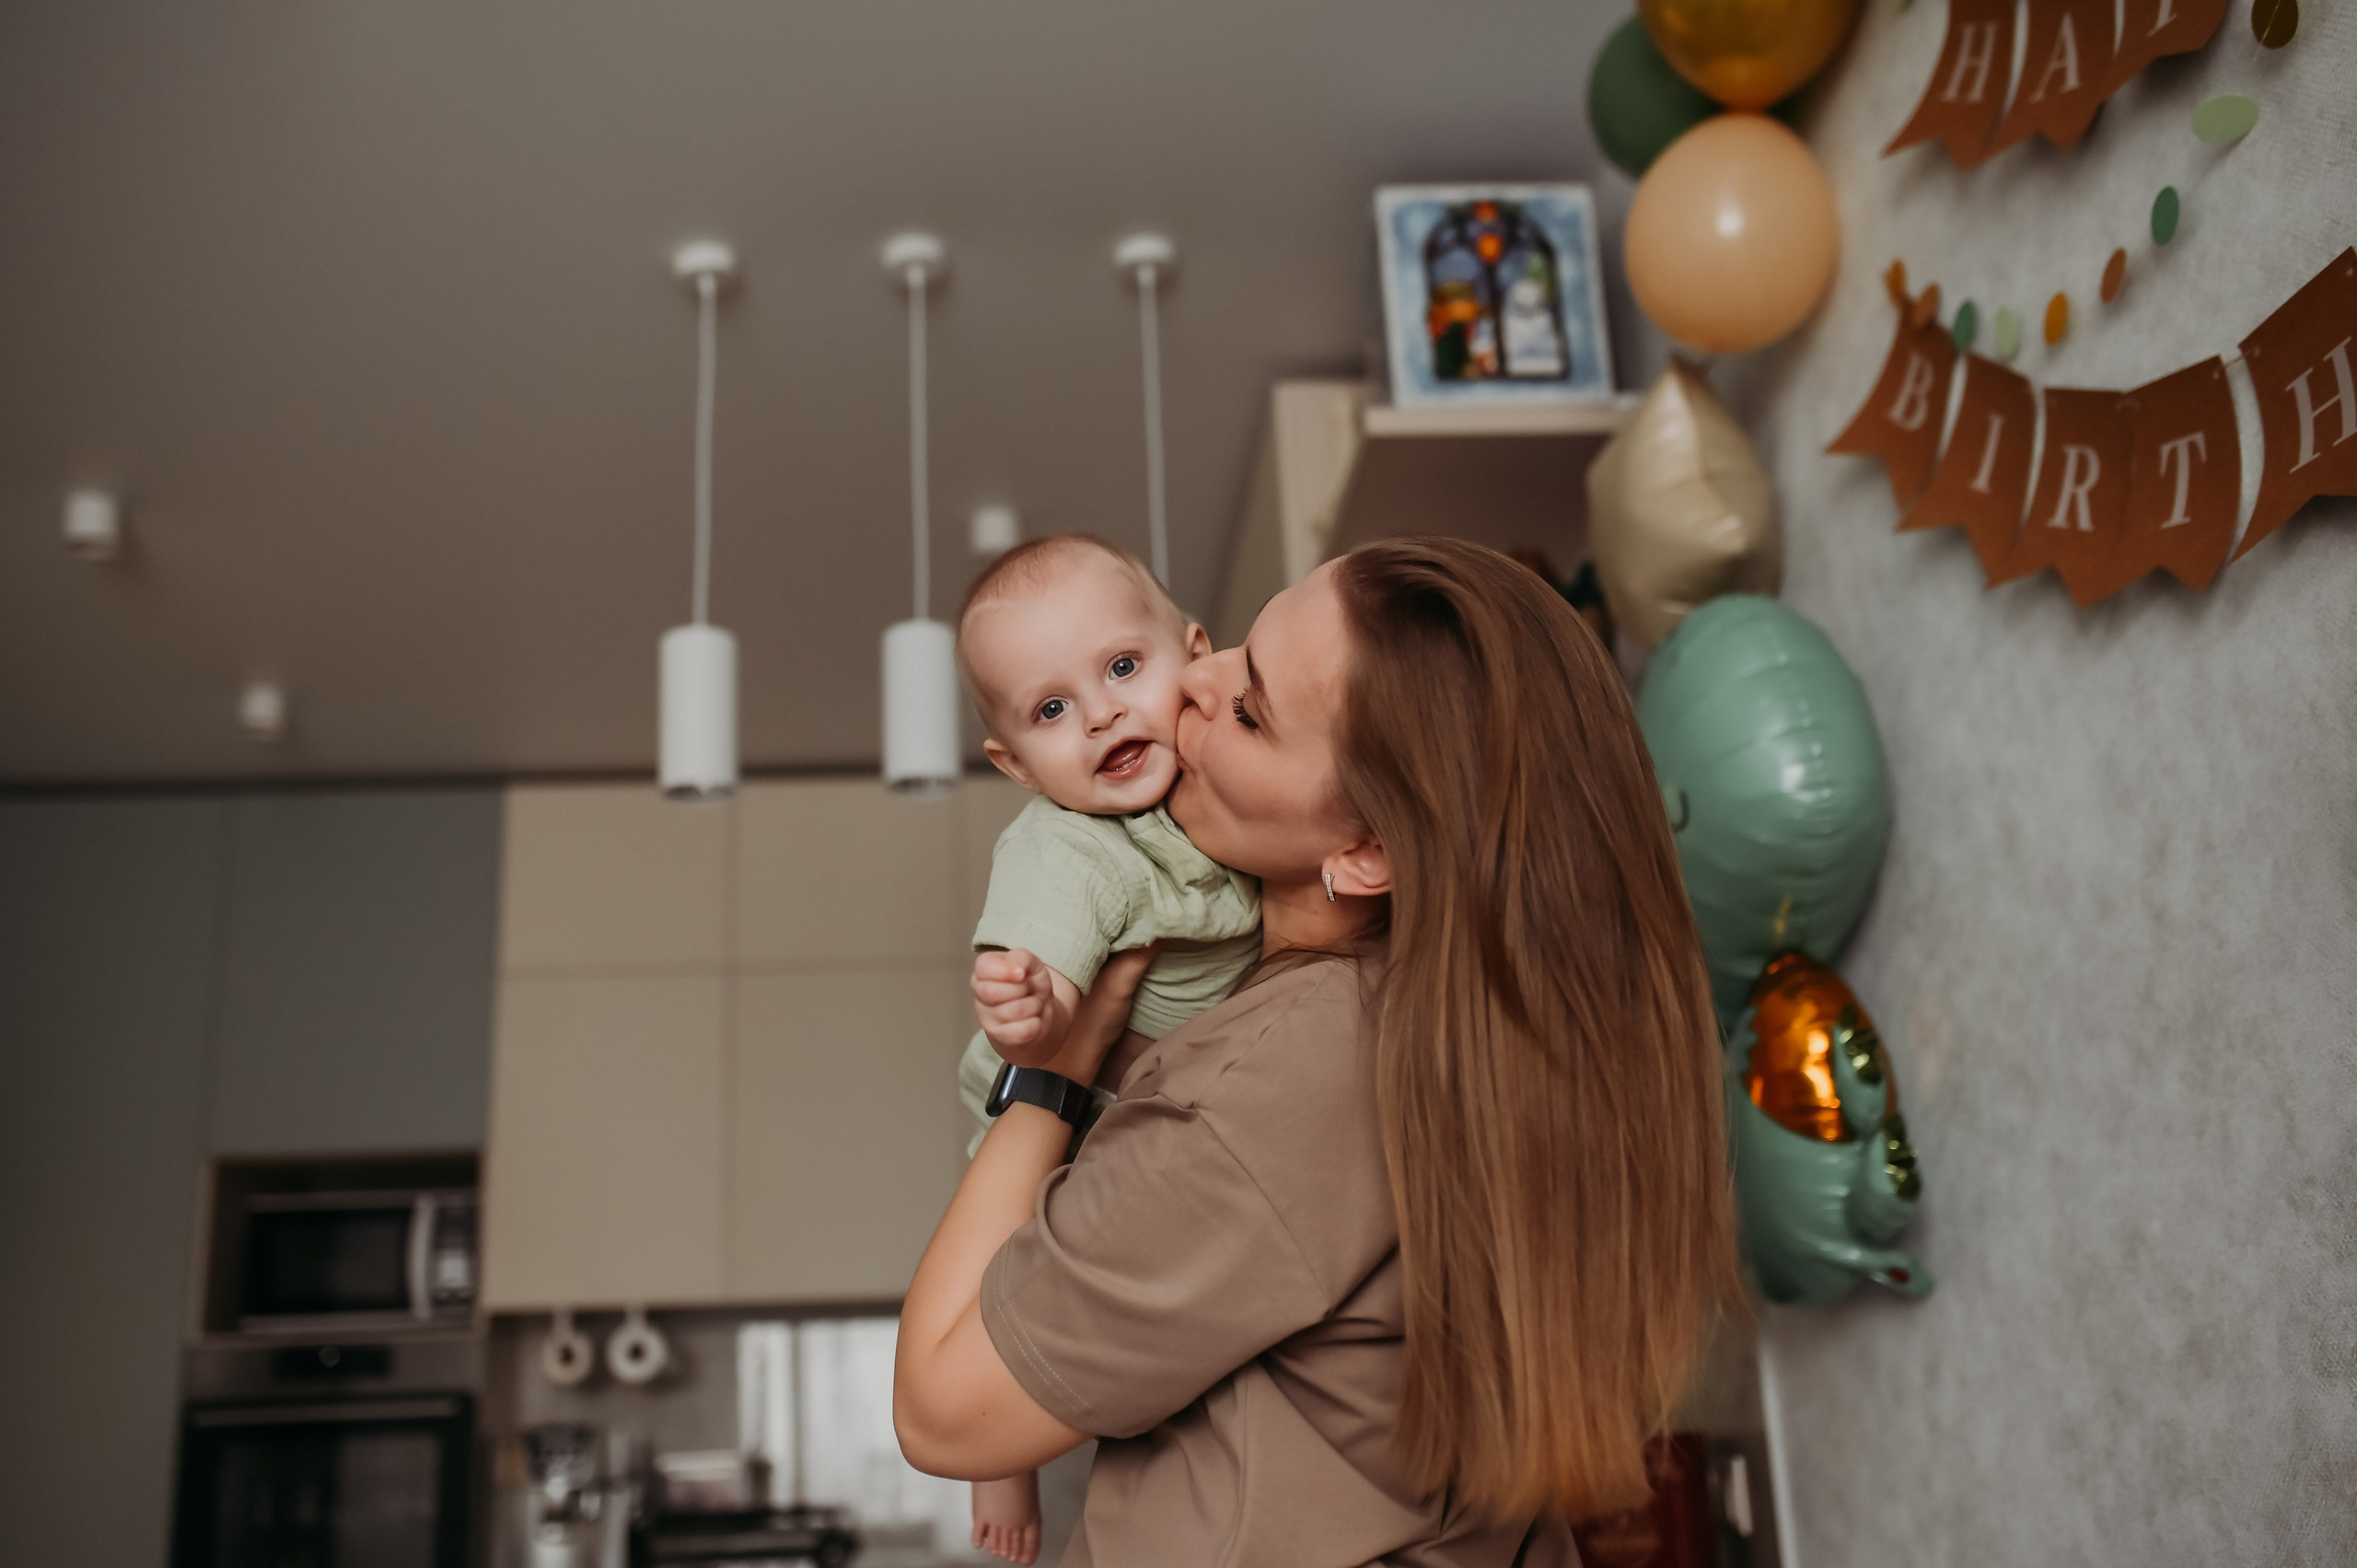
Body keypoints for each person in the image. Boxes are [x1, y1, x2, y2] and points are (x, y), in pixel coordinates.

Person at [897, 537, 1736, 1566]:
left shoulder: (1271, 1086)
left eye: (1249, 706)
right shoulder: (1427, 1024)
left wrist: (1051, 1077)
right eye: (1236, 649)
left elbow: (942, 1409)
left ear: (1367, 850)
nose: (1189, 680)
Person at [950, 533, 1264, 1562]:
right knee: (1019, 1259)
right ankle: (998, 1451)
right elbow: (1050, 958)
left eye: (1123, 667)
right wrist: (1032, 1001)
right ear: (1015, 765)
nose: (1098, 713)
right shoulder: (1069, 841)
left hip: (1168, 1095)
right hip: (1056, 1099)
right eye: (1048, 710)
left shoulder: (1220, 783)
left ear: (1198, 657)